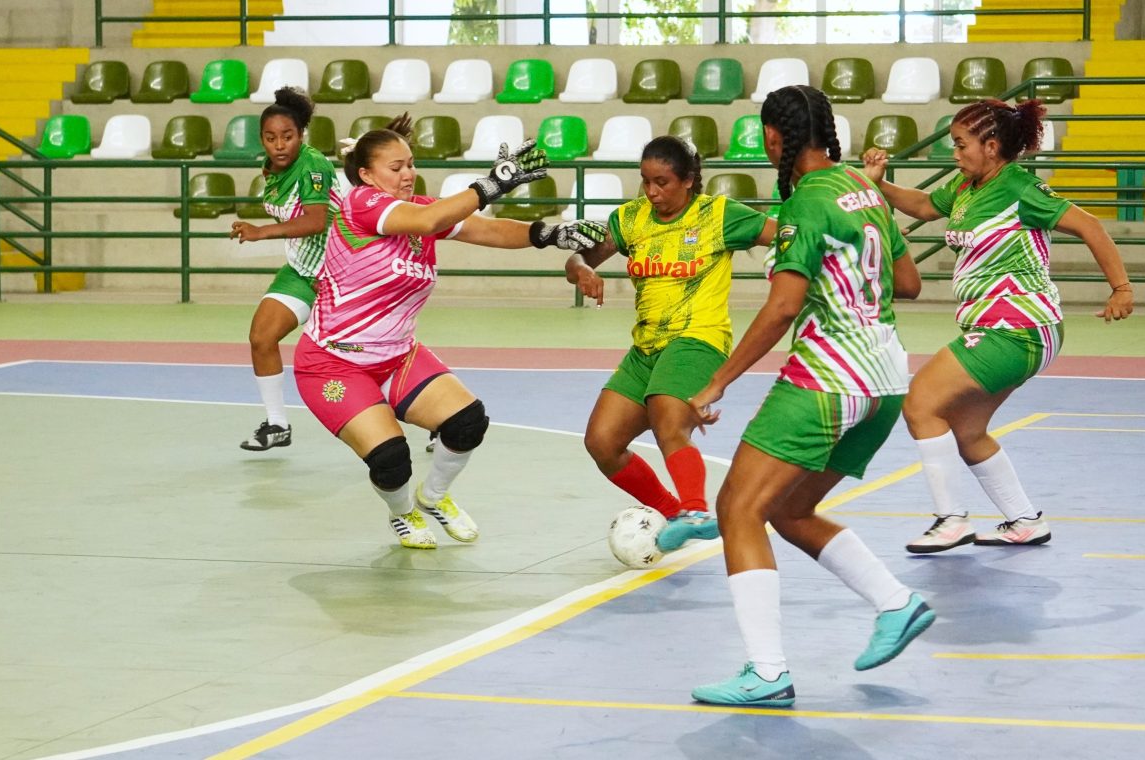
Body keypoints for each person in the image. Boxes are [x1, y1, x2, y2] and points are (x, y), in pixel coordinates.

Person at [685, 85, 930, 707]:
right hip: (886, 381)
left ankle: (767, 672)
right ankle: (895, 603)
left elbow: (783, 307)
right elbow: (909, 283)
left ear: (774, 137)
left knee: (737, 507)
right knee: (789, 509)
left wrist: (717, 380)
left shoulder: (805, 203)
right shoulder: (864, 190)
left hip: (828, 377)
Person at [295, 115, 605, 549]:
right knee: (391, 458)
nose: (407, 174)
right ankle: (402, 512)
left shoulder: (420, 210)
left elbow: (486, 228)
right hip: (334, 363)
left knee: (467, 422)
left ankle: (434, 496)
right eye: (395, 167)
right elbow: (431, 220)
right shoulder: (361, 204)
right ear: (366, 174)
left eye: (410, 164)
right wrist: (493, 184)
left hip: (397, 356)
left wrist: (551, 233)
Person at [861, 98, 1134, 554]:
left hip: (1017, 327)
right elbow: (925, 206)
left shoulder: (1019, 188)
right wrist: (879, 183)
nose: (954, 152)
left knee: (920, 403)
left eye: (961, 144)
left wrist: (1121, 288)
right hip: (1002, 328)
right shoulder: (966, 186)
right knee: (967, 430)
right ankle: (1025, 521)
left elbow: (1090, 226)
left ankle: (951, 520)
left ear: (991, 146)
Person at [565, 136, 776, 554]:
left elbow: (784, 235)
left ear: (689, 180)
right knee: (602, 442)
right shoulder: (631, 218)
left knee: (667, 416)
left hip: (698, 338)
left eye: (661, 182)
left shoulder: (718, 215)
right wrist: (583, 269)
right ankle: (672, 511)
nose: (652, 192)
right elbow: (577, 259)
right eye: (645, 181)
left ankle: (696, 512)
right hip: (646, 347)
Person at [230, 87, 342, 452]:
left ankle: (434, 416)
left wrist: (261, 232)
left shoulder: (313, 166)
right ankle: (277, 424)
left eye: (287, 136)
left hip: (339, 273)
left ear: (301, 134)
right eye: (270, 137)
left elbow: (315, 221)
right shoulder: (272, 167)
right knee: (261, 337)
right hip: (301, 270)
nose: (279, 145)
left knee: (363, 355)